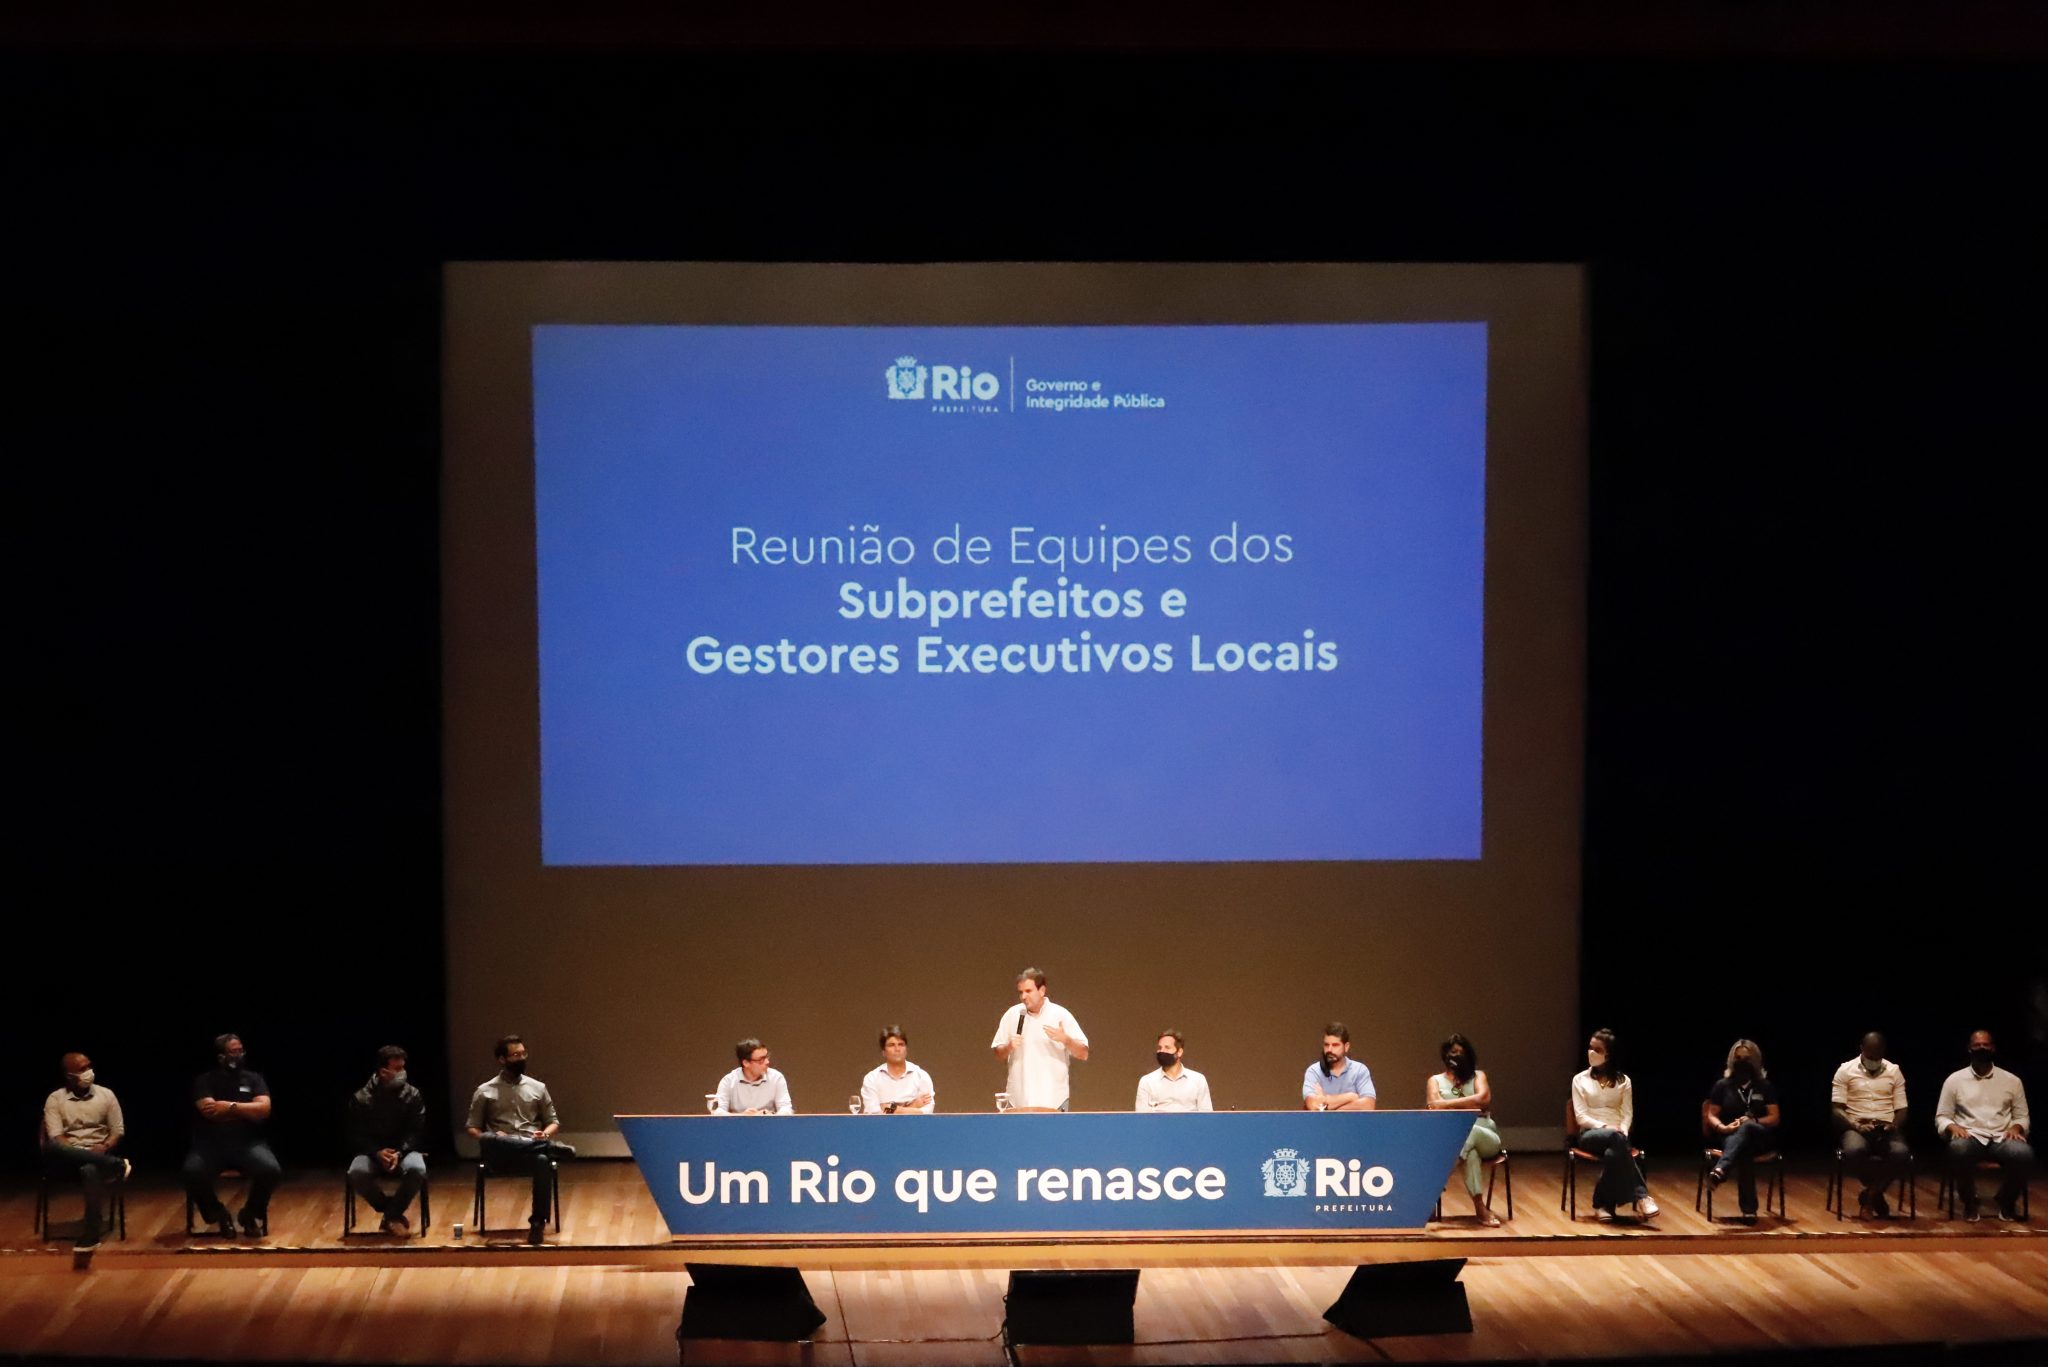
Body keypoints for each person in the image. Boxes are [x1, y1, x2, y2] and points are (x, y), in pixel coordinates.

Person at [465, 1034, 575, 1244]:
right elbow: (472, 1128)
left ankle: (537, 1224)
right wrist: (490, 1136)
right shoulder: (485, 1091)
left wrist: (545, 1134)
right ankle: (548, 1148)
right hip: (500, 1154)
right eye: (515, 1055)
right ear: (502, 1059)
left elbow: (553, 1122)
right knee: (499, 1141)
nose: (521, 1058)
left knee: (541, 1161)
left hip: (530, 1148)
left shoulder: (538, 1088)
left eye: (523, 1054)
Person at [184, 1033, 280, 1238]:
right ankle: (218, 1214)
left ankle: (249, 1214)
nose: (238, 1055)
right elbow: (210, 1112)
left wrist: (229, 1107)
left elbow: (264, 1109)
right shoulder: (205, 1081)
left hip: (248, 1143)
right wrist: (248, 1110)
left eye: (240, 1051)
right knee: (192, 1172)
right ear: (221, 1057)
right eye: (233, 1052)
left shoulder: (254, 1079)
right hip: (211, 1145)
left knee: (270, 1170)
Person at [1933, 1029, 2032, 1221]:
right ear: (1969, 1049)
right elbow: (1942, 1116)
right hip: (1970, 1135)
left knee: (2024, 1154)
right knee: (1958, 1150)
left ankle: (2006, 1200)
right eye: (1977, 1045)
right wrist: (1953, 1127)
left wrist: (2016, 1127)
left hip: (2002, 1136)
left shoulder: (2012, 1081)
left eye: (1986, 1045)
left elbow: (2022, 1117)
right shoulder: (1954, 1080)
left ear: (1993, 1048)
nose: (1982, 1048)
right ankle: (1969, 1202)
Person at [41, 1052, 128, 1249]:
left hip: (99, 1154)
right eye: (82, 1069)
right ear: (69, 1075)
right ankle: (117, 1164)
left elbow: (117, 1131)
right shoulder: (55, 1099)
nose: (89, 1071)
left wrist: (105, 1146)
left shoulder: (107, 1095)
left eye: (89, 1066)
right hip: (68, 1158)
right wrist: (78, 1153)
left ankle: (91, 1234)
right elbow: (56, 1136)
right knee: (52, 1147)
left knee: (89, 1169)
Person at [1570, 1027, 1657, 1221]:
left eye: (1597, 1050)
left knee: (1613, 1153)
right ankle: (1642, 1196)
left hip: (1618, 1136)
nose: (1591, 1052)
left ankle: (1603, 1205)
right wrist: (1605, 1127)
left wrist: (1623, 1131)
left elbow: (1627, 1113)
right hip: (1590, 1134)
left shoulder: (1624, 1081)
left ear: (1608, 1054)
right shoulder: (1579, 1080)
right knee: (1616, 1141)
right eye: (1590, 1048)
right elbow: (1581, 1117)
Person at [347, 1045, 428, 1234]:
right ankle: (392, 1212)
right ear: (383, 1072)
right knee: (356, 1172)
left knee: (417, 1169)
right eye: (397, 1069)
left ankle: (391, 1215)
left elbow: (417, 1130)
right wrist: (376, 1152)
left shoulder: (413, 1095)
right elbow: (355, 1133)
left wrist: (399, 1152)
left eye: (403, 1067)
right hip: (371, 1153)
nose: (403, 1072)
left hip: (404, 1151)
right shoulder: (361, 1098)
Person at [1830, 1030, 1910, 1217]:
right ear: (1862, 1049)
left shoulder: (1894, 1071)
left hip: (1886, 1127)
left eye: (1877, 1055)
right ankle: (1876, 1193)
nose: (1874, 1059)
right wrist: (1855, 1125)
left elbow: (1902, 1109)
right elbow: (1836, 1109)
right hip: (1857, 1126)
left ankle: (1871, 1195)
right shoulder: (1845, 1070)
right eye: (1870, 1055)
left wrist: (1894, 1125)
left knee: (1901, 1153)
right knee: (1854, 1150)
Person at [1702, 1038, 1781, 1224]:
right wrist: (1722, 1127)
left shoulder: (1764, 1086)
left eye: (1746, 1058)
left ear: (1755, 1061)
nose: (1742, 1062)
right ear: (1732, 1060)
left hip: (1760, 1135)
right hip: (1730, 1136)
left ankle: (1721, 1169)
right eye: (1738, 1058)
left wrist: (1753, 1121)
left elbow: (1774, 1117)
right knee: (1744, 1150)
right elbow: (1711, 1114)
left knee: (1748, 1127)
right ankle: (1749, 1211)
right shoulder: (1723, 1085)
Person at [1426, 1034, 1501, 1226]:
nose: (1457, 1056)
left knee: (1469, 1132)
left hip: (1485, 1134)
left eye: (1461, 1052)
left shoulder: (1478, 1076)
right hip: (1455, 1139)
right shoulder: (1435, 1081)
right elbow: (1434, 1107)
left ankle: (1434, 1189)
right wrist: (1470, 1105)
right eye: (1453, 1052)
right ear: (1446, 1055)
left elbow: (1483, 1099)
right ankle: (1480, 1208)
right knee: (1470, 1154)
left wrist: (1447, 1104)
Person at [990, 967, 1090, 1111]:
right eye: (1021, 992)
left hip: (1054, 1102)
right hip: (1018, 1101)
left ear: (1042, 990)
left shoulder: (1060, 1015)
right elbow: (998, 1054)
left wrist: (1066, 1040)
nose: (1023, 996)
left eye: (1028, 991)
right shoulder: (1012, 1015)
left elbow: (1084, 1053)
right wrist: (1009, 1047)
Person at [1303, 1022, 1376, 1111]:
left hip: (1351, 1121)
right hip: (1323, 1121)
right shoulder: (1314, 1071)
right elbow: (1314, 1106)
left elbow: (1368, 1106)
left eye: (1335, 1045)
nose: (1329, 1050)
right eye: (1326, 1045)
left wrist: (1327, 1105)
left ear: (1346, 1047)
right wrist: (1350, 1097)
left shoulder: (1360, 1070)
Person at [860, 1026, 935, 1114]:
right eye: (891, 1045)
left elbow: (927, 1112)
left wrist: (890, 1108)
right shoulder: (872, 1079)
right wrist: (913, 1106)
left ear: (906, 1049)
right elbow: (873, 1114)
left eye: (901, 1044)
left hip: (914, 1123)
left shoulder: (921, 1076)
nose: (897, 1049)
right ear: (883, 1052)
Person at [1135, 1029, 1213, 1112]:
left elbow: (1207, 1114)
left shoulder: (1198, 1080)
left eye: (1167, 1047)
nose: (1162, 1051)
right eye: (1160, 1048)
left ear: (1179, 1052)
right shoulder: (1147, 1081)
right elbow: (1141, 1116)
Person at [716, 1039, 796, 1114]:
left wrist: (770, 1115)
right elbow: (718, 1112)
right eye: (761, 1060)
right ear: (746, 1063)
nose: (767, 1062)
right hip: (738, 1124)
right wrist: (742, 1116)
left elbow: (786, 1109)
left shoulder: (776, 1078)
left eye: (766, 1057)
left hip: (769, 1123)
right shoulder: (728, 1081)